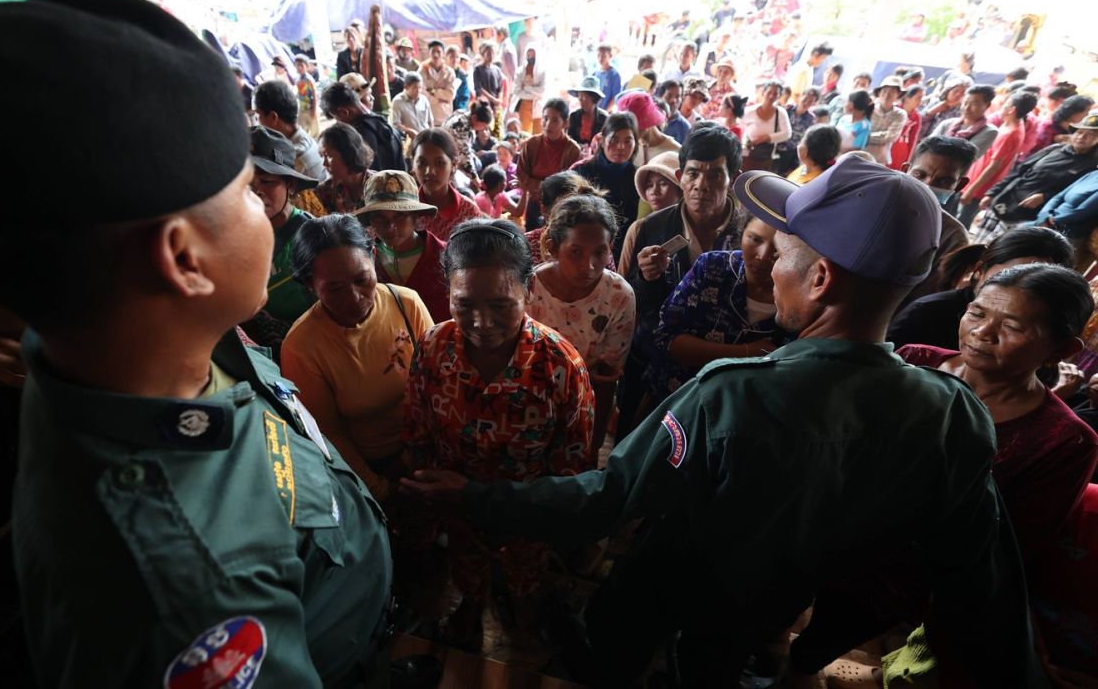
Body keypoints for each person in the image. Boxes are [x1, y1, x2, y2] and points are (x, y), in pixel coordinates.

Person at [0, 0, 393, 687]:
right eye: (250, 190)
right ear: (184, 259)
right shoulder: (189, 589)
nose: (265, 210)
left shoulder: (123, 346)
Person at [401, 156, 1045, 689]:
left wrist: (476, 497)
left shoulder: (731, 397)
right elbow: (981, 592)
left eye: (783, 252)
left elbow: (608, 497)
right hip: (773, 610)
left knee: (613, 655)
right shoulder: (952, 417)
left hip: (669, 587)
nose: (766, 265)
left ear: (820, 277)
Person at [863, 265, 1098, 686]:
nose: (983, 333)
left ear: (1061, 350)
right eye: (976, 313)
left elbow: (1010, 547)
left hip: (924, 586)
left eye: (1011, 327)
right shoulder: (913, 361)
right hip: (840, 538)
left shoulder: (1066, 440)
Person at [400, 218, 595, 649]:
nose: (482, 322)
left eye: (500, 305)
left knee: (525, 580)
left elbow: (572, 462)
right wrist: (428, 497)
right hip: (457, 510)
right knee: (467, 570)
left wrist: (536, 514)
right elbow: (419, 432)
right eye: (464, 304)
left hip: (528, 516)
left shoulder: (561, 366)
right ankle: (471, 607)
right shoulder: (433, 348)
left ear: (527, 290)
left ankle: (522, 613)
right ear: (447, 294)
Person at [280, 214, 433, 505]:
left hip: (429, 449)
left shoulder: (407, 304)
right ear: (310, 285)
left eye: (362, 279)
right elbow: (329, 435)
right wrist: (379, 491)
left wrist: (423, 454)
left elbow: (437, 383)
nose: (354, 297)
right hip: (370, 468)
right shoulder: (301, 346)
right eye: (334, 289)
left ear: (373, 257)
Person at [616, 126, 747, 436]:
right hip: (651, 373)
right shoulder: (646, 230)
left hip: (724, 377)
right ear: (680, 175)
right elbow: (625, 303)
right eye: (693, 174)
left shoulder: (750, 234)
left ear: (733, 178)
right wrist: (648, 278)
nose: (701, 185)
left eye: (715, 174)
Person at [527, 194, 635, 450]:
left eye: (600, 252)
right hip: (526, 403)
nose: (589, 266)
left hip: (584, 408)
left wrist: (593, 445)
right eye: (576, 252)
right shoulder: (528, 289)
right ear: (553, 248)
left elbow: (606, 380)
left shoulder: (618, 296)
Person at [643, 213, 783, 409]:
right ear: (742, 234)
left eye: (778, 248)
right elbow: (666, 339)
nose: (763, 255)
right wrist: (745, 354)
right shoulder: (712, 267)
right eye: (755, 239)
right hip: (671, 402)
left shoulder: (798, 298)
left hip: (739, 417)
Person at [888, 226, 1075, 350]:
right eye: (1007, 277)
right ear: (980, 270)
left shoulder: (1042, 339)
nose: (982, 333)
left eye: (1036, 286)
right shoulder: (926, 314)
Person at [239, 126, 322, 350]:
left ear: (291, 185)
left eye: (266, 181)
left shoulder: (314, 238)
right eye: (248, 184)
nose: (257, 193)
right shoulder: (237, 235)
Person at [972, 113, 1098, 245]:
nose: (1082, 137)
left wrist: (1044, 196)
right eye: (1079, 132)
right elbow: (1019, 171)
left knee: (997, 249)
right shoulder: (1054, 149)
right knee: (977, 245)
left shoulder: (1090, 167)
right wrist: (992, 193)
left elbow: (1066, 193)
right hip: (1004, 201)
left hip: (1027, 215)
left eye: (1091, 135)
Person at [356, 171, 450, 323]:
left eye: (400, 216)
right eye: (380, 217)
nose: (390, 226)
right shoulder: (364, 261)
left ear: (416, 216)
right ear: (370, 221)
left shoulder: (446, 256)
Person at [902, 136, 977, 302]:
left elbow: (927, 296)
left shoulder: (953, 237)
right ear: (905, 170)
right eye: (919, 175)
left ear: (959, 186)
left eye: (944, 180)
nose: (927, 186)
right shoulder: (875, 207)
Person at [957, 90, 1037, 227]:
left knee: (961, 220)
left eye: (1005, 105)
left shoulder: (1011, 133)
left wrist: (972, 190)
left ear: (1012, 109)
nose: (1002, 107)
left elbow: (994, 166)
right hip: (973, 179)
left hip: (978, 187)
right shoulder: (1012, 124)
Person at [573, 112, 639, 254]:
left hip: (622, 250)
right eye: (614, 140)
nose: (621, 147)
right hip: (582, 244)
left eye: (628, 141)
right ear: (602, 140)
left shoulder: (638, 179)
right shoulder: (581, 171)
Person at [516, 98, 582, 229]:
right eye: (545, 118)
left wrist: (535, 185)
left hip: (560, 207)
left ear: (565, 123)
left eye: (555, 120)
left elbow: (571, 185)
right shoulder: (531, 144)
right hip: (534, 204)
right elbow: (521, 175)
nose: (548, 124)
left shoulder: (572, 150)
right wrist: (547, 187)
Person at [413, 128, 484, 241]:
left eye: (439, 163)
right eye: (422, 163)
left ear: (454, 165)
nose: (430, 171)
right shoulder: (405, 210)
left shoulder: (468, 212)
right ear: (413, 165)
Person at [253, 79, 328, 184]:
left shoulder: (293, 157)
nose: (256, 121)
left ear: (273, 117)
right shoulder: (303, 138)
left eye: (258, 115)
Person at [322, 81, 406, 171]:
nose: (338, 123)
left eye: (337, 119)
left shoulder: (356, 139)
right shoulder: (387, 126)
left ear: (344, 112)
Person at [525, 172, 599, 266]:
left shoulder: (598, 241)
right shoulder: (525, 246)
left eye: (581, 207)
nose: (576, 215)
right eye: (566, 209)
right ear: (544, 210)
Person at [1036, 169, 1098, 262]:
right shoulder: (1092, 174)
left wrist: (1049, 221)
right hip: (1048, 220)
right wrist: (1044, 215)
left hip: (1068, 232)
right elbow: (1059, 196)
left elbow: (1081, 213)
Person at [314, 122, 374, 214]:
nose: (324, 163)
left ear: (348, 154)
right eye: (322, 157)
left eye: (329, 157)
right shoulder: (324, 192)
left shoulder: (379, 186)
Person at [932, 84, 999, 162]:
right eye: (965, 103)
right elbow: (926, 147)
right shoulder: (947, 124)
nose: (966, 108)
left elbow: (963, 157)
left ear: (987, 106)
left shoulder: (989, 132)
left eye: (974, 104)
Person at [740, 80, 792, 172]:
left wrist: (767, 138)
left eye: (775, 94)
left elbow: (787, 133)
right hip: (747, 153)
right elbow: (741, 129)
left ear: (779, 96)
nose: (771, 96)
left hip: (766, 155)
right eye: (769, 92)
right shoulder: (749, 111)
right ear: (764, 92)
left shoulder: (780, 113)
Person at [1028, 94, 1095, 156]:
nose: (1087, 115)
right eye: (1086, 111)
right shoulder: (1048, 127)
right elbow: (1038, 153)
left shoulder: (1070, 128)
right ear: (1074, 111)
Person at [865, 75, 908, 165]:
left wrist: (864, 136)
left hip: (879, 160)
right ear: (879, 93)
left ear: (898, 95)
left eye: (892, 92)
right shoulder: (869, 108)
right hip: (860, 153)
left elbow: (890, 136)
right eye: (884, 91)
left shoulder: (900, 114)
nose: (887, 95)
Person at [419, 40, 458, 126]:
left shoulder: (449, 72)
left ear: (443, 54)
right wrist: (441, 99)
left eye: (438, 52)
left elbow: (450, 95)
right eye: (433, 52)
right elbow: (422, 94)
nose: (436, 55)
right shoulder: (422, 70)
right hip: (428, 116)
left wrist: (433, 92)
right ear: (429, 53)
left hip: (445, 115)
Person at [888, 84, 925, 170]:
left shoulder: (916, 117)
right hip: (888, 145)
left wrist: (908, 160)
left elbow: (913, 139)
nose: (920, 101)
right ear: (907, 97)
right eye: (918, 98)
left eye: (921, 98)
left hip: (901, 149)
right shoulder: (894, 109)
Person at [510, 44, 546, 133]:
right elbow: (517, 91)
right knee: (524, 135)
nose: (530, 58)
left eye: (533, 55)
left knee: (538, 135)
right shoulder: (520, 71)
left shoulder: (542, 72)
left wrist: (526, 88)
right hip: (524, 108)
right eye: (529, 55)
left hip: (538, 107)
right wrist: (534, 93)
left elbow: (542, 91)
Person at [567, 75, 609, 148]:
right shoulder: (574, 116)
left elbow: (605, 140)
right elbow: (569, 138)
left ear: (594, 98)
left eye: (585, 97)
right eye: (580, 96)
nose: (581, 100)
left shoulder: (604, 118)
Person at [390, 72, 434, 139]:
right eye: (415, 88)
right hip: (409, 140)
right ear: (406, 87)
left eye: (420, 88)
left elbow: (430, 122)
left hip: (426, 138)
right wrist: (410, 131)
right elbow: (395, 125)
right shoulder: (397, 102)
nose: (418, 91)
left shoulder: (424, 99)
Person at [292, 54, 320, 137]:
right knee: (302, 129)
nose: (299, 68)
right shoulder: (297, 79)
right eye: (297, 66)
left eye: (301, 65)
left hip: (311, 108)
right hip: (302, 108)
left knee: (314, 130)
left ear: (307, 66)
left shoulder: (309, 79)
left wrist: (314, 110)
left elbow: (314, 95)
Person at [658, 80, 692, 145]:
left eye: (677, 97)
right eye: (669, 96)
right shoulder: (651, 120)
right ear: (660, 97)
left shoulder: (685, 127)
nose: (673, 101)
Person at [472, 41, 503, 111]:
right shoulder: (478, 69)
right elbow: (479, 88)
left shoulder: (497, 70)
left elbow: (500, 88)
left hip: (495, 105)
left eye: (493, 53)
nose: (491, 55)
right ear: (483, 54)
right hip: (483, 105)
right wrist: (493, 99)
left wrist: (498, 100)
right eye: (488, 53)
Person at [594, 43, 621, 110]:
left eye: (604, 56)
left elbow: (615, 97)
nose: (600, 59)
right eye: (598, 55)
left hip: (605, 112)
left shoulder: (614, 75)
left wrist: (605, 112)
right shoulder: (595, 73)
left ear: (610, 56)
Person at [445, 44, 471, 113]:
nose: (455, 60)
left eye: (457, 57)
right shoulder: (443, 73)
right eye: (451, 57)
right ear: (446, 57)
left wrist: (459, 109)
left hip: (459, 109)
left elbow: (465, 95)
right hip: (444, 109)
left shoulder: (462, 75)